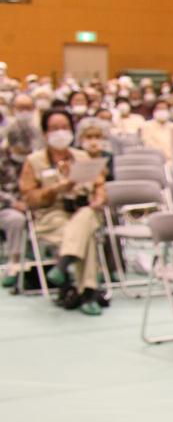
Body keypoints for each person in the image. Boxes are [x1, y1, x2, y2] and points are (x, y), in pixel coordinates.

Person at [18, 109, 108, 314]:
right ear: (45, 133)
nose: (61, 132)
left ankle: (64, 262)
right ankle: (88, 294)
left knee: (86, 215)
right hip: (52, 216)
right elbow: (29, 197)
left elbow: (100, 187)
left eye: (65, 127)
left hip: (83, 210)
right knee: (87, 236)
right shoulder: (34, 161)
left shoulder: (83, 156)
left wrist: (98, 199)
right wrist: (57, 188)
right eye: (54, 128)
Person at [0, 127, 31, 286]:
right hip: (4, 208)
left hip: (32, 205)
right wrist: (13, 202)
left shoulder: (34, 158)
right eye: (20, 149)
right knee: (16, 219)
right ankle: (15, 262)